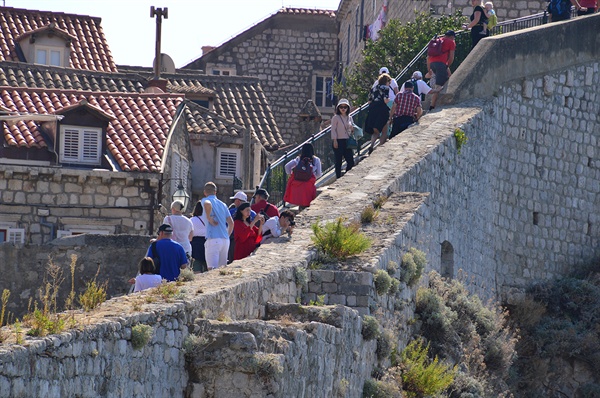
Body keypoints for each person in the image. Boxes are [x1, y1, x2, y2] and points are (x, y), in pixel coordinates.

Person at [202, 182, 234, 270]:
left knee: (212, 269)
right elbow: (231, 223)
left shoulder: (205, 200)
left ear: (205, 192)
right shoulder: (223, 204)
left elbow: (207, 203)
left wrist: (209, 217)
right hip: (225, 240)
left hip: (213, 238)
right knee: (222, 269)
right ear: (215, 192)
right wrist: (227, 236)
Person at [283, 143, 323, 208]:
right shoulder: (316, 160)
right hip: (309, 185)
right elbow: (319, 174)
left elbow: (287, 166)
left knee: (301, 204)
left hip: (298, 185)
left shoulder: (298, 159)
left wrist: (292, 174)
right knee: (308, 204)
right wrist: (312, 177)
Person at [427, 30, 456, 111]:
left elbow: (428, 57)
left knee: (446, 79)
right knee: (438, 86)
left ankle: (436, 102)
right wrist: (447, 65)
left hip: (432, 64)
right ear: (451, 37)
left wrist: (429, 68)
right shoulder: (451, 42)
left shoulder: (438, 40)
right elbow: (451, 57)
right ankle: (432, 106)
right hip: (441, 64)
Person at [365, 73, 392, 154]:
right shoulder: (386, 88)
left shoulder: (373, 88)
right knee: (384, 130)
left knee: (375, 131)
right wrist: (388, 100)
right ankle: (380, 147)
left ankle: (371, 145)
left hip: (373, 110)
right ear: (386, 81)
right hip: (382, 110)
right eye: (389, 82)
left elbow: (369, 101)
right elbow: (385, 100)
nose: (389, 84)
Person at [330, 98, 355, 179]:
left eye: (345, 107)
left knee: (350, 161)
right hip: (338, 140)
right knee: (338, 161)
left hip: (347, 140)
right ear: (338, 108)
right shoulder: (336, 118)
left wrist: (352, 128)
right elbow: (333, 129)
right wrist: (335, 140)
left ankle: (346, 177)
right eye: (341, 107)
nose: (343, 109)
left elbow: (352, 129)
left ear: (348, 108)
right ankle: (338, 177)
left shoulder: (350, 117)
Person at [190, 200, 208, 273]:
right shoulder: (209, 220)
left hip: (195, 243)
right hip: (207, 242)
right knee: (207, 264)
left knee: (196, 264)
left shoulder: (192, 220)